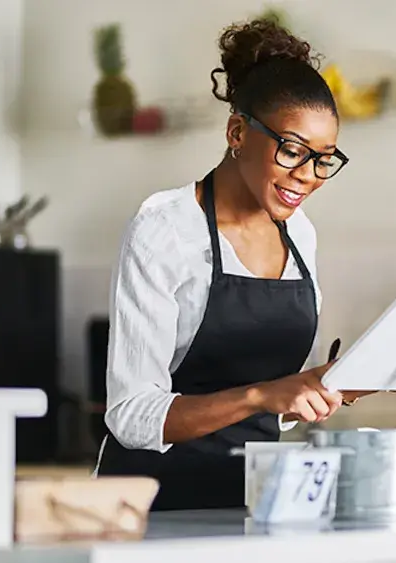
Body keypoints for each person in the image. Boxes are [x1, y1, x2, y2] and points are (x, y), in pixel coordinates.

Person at [95, 19, 363, 511]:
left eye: (324, 159)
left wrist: (314, 388)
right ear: (238, 131)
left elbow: (273, 400)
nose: (307, 176)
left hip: (250, 503)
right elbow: (131, 416)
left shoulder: (300, 235)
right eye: (292, 150)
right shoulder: (165, 230)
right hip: (150, 506)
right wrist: (263, 395)